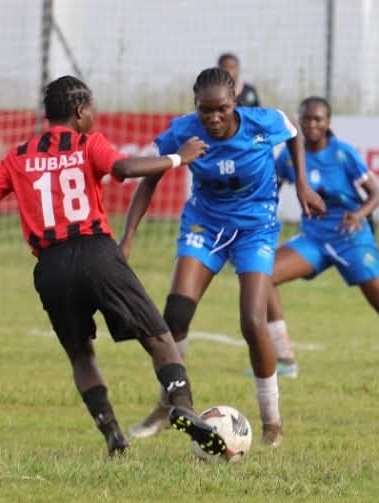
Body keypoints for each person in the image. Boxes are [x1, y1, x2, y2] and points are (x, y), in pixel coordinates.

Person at [0, 75, 226, 460]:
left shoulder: (19, 155)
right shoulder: (88, 143)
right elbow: (124, 169)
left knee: (81, 354)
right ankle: (183, 406)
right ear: (79, 110)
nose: (95, 115)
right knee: (158, 337)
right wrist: (178, 158)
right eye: (92, 108)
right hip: (97, 253)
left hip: (51, 267)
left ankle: (112, 433)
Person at [118, 66, 324, 448]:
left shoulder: (262, 123)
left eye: (222, 110)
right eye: (205, 110)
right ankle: (169, 405)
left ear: (235, 104)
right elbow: (149, 180)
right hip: (205, 224)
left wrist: (302, 186)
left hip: (255, 228)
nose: (213, 118)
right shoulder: (183, 132)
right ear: (195, 106)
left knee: (252, 321)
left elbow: (294, 131)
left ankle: (272, 422)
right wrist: (128, 236)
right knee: (175, 318)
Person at [260, 96, 379, 377]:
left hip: (350, 237)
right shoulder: (289, 156)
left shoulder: (343, 154)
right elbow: (271, 190)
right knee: (264, 275)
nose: (312, 124)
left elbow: (376, 195)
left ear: (328, 122)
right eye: (306, 119)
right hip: (314, 239)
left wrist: (358, 215)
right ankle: (285, 359)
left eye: (318, 119)